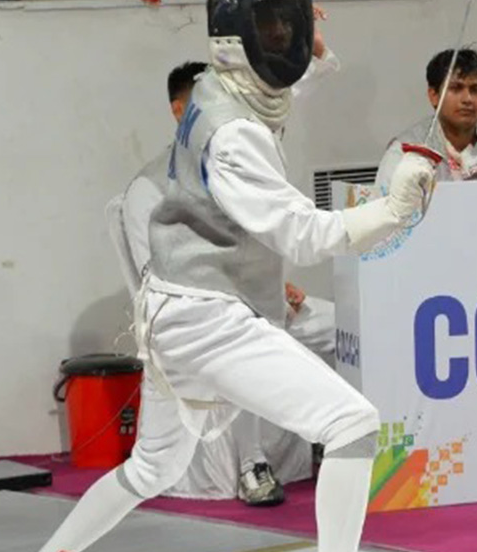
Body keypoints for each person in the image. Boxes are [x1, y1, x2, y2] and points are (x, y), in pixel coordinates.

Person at [0, 0, 441, 552]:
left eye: (292, 21)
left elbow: (268, 98)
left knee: (153, 470)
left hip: (176, 312)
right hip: (209, 317)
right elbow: (304, 234)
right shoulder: (235, 139)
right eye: (274, 24)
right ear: (238, 38)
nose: (290, 37)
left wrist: (312, 64)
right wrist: (396, 208)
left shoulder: (210, 87)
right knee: (352, 423)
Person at [116, 60, 328, 507]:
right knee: (248, 339)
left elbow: (261, 236)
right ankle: (253, 464)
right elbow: (153, 274)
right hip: (198, 319)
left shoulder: (231, 161)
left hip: (261, 299)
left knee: (343, 324)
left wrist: (280, 281)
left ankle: (335, 438)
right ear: (181, 111)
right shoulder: (149, 187)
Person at [375, 47, 477, 190]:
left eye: (475, 90)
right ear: (434, 96)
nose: (467, 99)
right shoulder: (403, 153)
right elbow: (384, 214)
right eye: (456, 88)